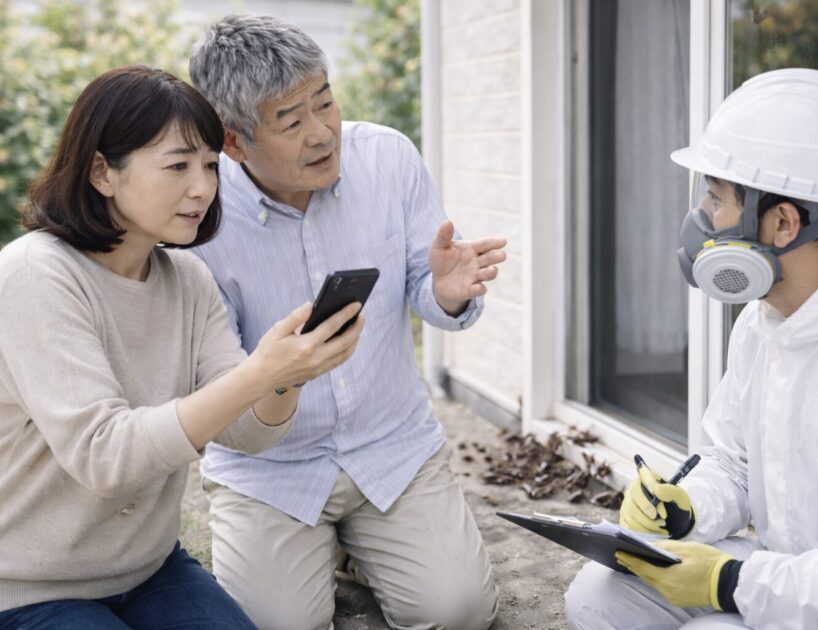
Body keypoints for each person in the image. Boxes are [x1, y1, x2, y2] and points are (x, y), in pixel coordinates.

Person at [565, 68, 818, 629]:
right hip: (786, 577)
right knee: (600, 593)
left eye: (717, 200)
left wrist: (729, 583)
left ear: (783, 222)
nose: (702, 223)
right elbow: (732, 465)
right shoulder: (764, 320)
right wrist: (685, 508)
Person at [0, 65, 363, 628]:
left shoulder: (186, 279)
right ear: (102, 172)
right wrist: (257, 374)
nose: (203, 187)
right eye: (177, 166)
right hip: (26, 586)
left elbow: (247, 433)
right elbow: (105, 456)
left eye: (211, 166)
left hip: (148, 570)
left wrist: (287, 374)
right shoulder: (34, 276)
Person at [186, 14, 505, 630]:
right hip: (271, 472)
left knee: (460, 613)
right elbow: (214, 387)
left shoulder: (387, 157)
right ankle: (330, 548)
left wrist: (445, 293)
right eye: (291, 121)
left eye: (325, 103)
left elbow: (433, 292)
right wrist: (279, 375)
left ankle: (360, 548)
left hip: (393, 447)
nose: (322, 133)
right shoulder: (200, 214)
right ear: (233, 141)